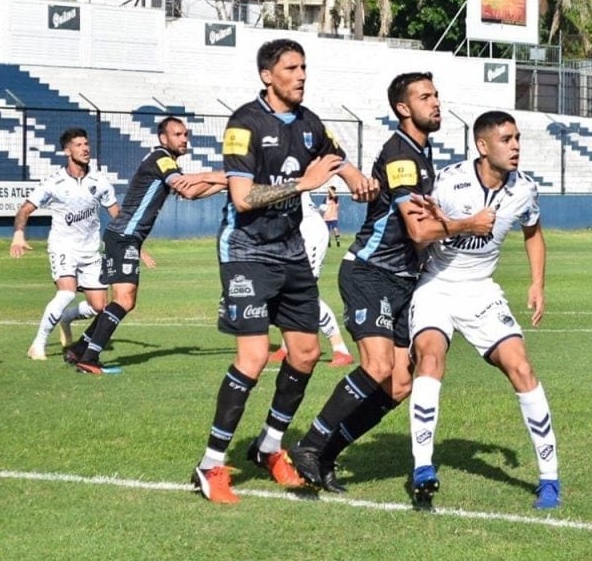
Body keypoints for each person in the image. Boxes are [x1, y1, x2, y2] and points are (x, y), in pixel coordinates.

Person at [288, 72, 495, 492]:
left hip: (405, 282)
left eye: (436, 94)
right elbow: (417, 232)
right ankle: (308, 444)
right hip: (371, 273)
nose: (436, 102)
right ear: (403, 108)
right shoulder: (401, 153)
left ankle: (327, 454)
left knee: (400, 383)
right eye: (425, 97)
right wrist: (466, 224)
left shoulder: (422, 152)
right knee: (377, 365)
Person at [191, 38, 377, 504]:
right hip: (247, 250)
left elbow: (334, 157)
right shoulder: (243, 124)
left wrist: (353, 177)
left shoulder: (310, 122)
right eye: (291, 68)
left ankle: (269, 447)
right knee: (253, 358)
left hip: (291, 249)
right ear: (267, 76)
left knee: (306, 353)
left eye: (304, 68)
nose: (301, 76)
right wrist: (304, 184)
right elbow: (241, 198)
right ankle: (211, 464)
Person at [407, 110, 560, 510]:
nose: (515, 147)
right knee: (430, 359)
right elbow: (419, 234)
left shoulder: (525, 189)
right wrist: (457, 225)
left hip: (481, 292)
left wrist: (537, 283)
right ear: (482, 146)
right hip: (437, 286)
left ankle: (550, 479)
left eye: (517, 139)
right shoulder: (449, 181)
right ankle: (423, 469)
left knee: (522, 368)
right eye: (507, 140)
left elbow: (534, 233)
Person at [63, 116, 227, 374]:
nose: (184, 139)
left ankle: (80, 349)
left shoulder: (167, 162)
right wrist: (225, 175)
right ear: (164, 138)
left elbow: (192, 192)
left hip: (124, 236)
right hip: (124, 237)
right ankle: (90, 358)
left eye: (186, 134)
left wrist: (225, 183)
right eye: (178, 134)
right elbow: (187, 189)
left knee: (123, 301)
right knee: (124, 301)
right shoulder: (162, 159)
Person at [10, 128, 118, 361]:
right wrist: (19, 234)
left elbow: (116, 214)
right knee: (66, 293)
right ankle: (37, 345)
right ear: (67, 151)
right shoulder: (54, 182)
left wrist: (130, 241)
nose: (85, 148)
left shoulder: (99, 181)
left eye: (86, 144)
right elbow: (25, 209)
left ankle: (66, 318)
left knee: (100, 307)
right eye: (78, 145)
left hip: (91, 251)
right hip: (63, 248)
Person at [267, 191, 355, 367]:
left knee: (304, 292)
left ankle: (340, 349)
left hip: (308, 230)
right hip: (291, 229)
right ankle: (287, 347)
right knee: (283, 289)